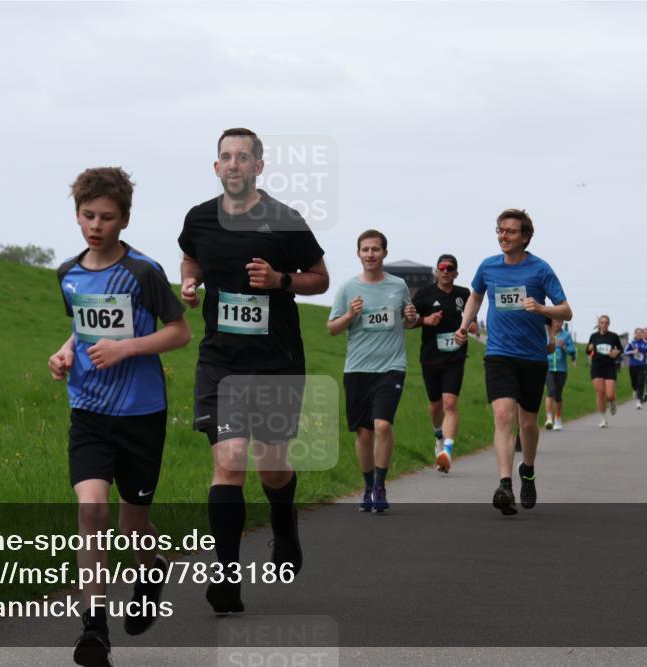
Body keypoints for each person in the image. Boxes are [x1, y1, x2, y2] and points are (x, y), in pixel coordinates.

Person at [178, 128, 329, 613]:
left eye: (243, 157)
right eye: (226, 157)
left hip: (275, 362)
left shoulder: (284, 220)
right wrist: (188, 280)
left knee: (271, 462)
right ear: (216, 166)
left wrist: (281, 280)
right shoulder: (199, 218)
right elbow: (191, 256)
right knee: (229, 459)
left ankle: (284, 524)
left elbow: (319, 277)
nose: (234, 164)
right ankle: (225, 577)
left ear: (259, 166)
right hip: (220, 361)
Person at [48, 167, 191, 667]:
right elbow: (82, 329)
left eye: (107, 218)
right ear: (77, 215)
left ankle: (151, 571)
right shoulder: (68, 273)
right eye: (88, 216)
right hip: (87, 410)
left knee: (134, 526)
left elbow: (179, 333)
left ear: (124, 219)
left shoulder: (143, 272)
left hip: (140, 414)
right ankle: (94, 629)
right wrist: (65, 353)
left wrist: (127, 348)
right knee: (91, 512)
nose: (96, 225)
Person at [454, 208, 572, 516]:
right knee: (504, 416)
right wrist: (465, 323)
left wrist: (542, 309)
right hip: (499, 354)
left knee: (528, 422)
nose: (503, 236)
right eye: (499, 230)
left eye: (510, 231)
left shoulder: (540, 270)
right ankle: (504, 484)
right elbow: (475, 296)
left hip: (532, 356)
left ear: (526, 237)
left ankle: (528, 470)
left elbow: (566, 310)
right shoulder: (488, 267)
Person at [328, 230, 417, 512]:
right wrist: (350, 315)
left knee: (382, 425)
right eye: (365, 250)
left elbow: (408, 321)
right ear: (358, 254)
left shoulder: (398, 285)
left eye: (375, 249)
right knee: (364, 433)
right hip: (357, 369)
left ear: (384, 253)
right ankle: (367, 486)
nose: (370, 254)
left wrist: (412, 318)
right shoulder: (347, 288)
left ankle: (380, 485)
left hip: (391, 368)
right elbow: (332, 329)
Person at [409, 253, 475, 472]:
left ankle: (447, 450)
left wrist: (471, 327)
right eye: (442, 268)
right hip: (430, 356)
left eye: (450, 268)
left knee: (450, 403)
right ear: (436, 271)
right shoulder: (424, 294)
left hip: (455, 356)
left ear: (456, 273)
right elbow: (407, 321)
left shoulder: (464, 294)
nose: (446, 271)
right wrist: (425, 320)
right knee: (436, 404)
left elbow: (470, 319)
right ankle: (439, 434)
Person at [586, 315, 623, 427]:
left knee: (610, 395)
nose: (604, 324)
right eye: (602, 322)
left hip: (610, 367)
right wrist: (589, 348)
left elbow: (620, 349)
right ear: (599, 324)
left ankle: (612, 402)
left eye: (606, 322)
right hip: (597, 367)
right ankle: (603, 419)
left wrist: (616, 353)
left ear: (608, 324)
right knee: (600, 392)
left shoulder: (613, 336)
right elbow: (588, 351)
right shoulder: (594, 336)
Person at [544, 318, 576, 430]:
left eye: (559, 322)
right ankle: (549, 419)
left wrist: (564, 347)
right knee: (551, 391)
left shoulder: (566, 335)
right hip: (548, 367)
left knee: (558, 395)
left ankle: (558, 419)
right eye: (555, 322)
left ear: (562, 323)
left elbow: (572, 351)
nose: (557, 324)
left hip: (561, 369)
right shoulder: (546, 333)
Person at [624, 328, 647, 409]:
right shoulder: (631, 343)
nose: (639, 334)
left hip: (642, 365)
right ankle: (635, 390)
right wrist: (632, 352)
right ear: (635, 334)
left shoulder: (646, 343)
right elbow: (625, 352)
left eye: (640, 333)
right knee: (634, 382)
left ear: (643, 334)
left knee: (641, 382)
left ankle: (639, 401)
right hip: (633, 365)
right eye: (637, 333)